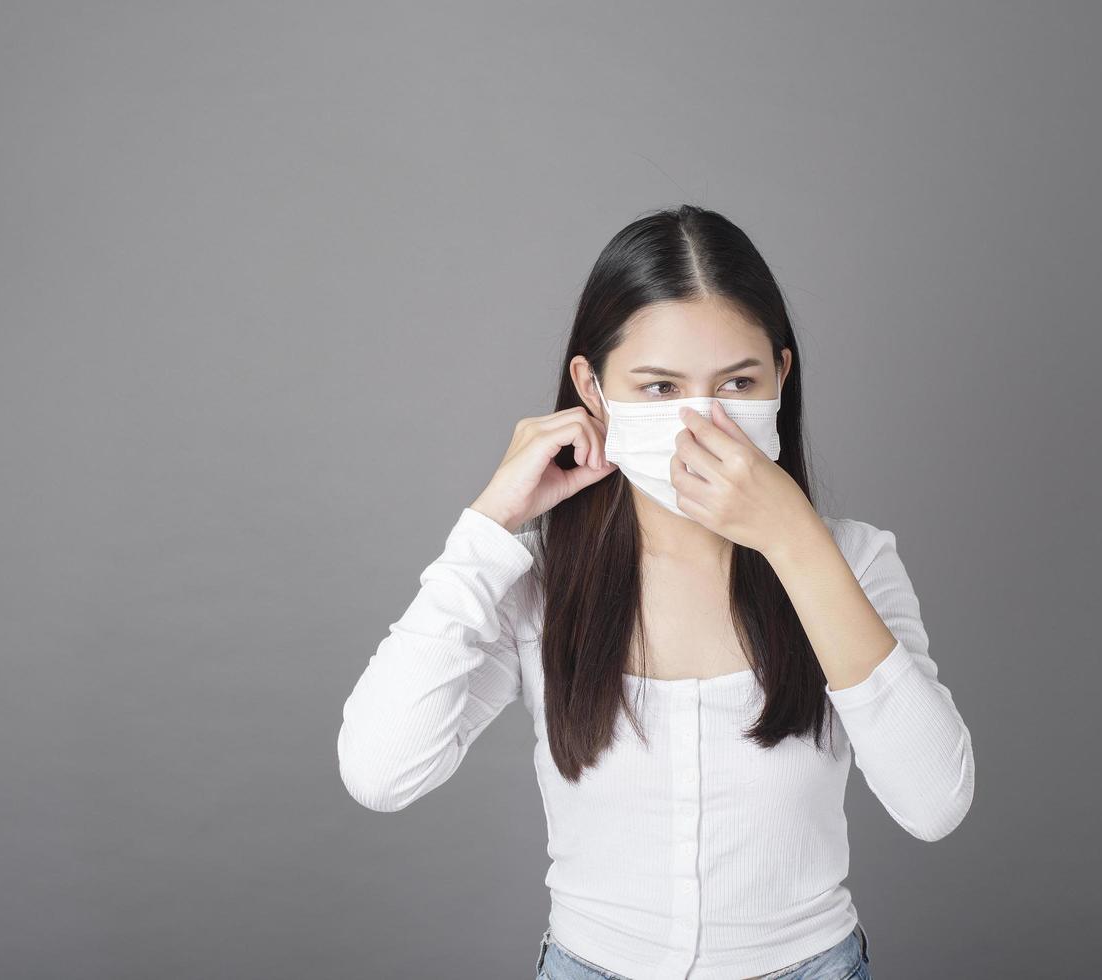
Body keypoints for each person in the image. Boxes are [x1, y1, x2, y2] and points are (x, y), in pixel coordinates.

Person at [336, 204, 974, 979]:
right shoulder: (541, 579)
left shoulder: (853, 562)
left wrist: (796, 543)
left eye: (736, 382)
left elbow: (935, 802)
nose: (700, 418)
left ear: (781, 376)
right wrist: (488, 525)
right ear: (592, 388)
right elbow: (380, 772)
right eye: (660, 385)